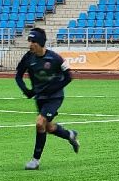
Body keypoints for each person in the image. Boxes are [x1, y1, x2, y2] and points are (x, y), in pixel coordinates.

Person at [14, 27, 79, 171]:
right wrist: (27, 91)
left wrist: (55, 88)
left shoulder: (55, 58)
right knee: (48, 127)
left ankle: (35, 160)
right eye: (29, 41)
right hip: (40, 98)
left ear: (40, 43)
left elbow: (68, 76)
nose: (30, 44)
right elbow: (18, 75)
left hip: (55, 97)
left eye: (33, 41)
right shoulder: (28, 57)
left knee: (39, 123)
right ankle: (70, 135)